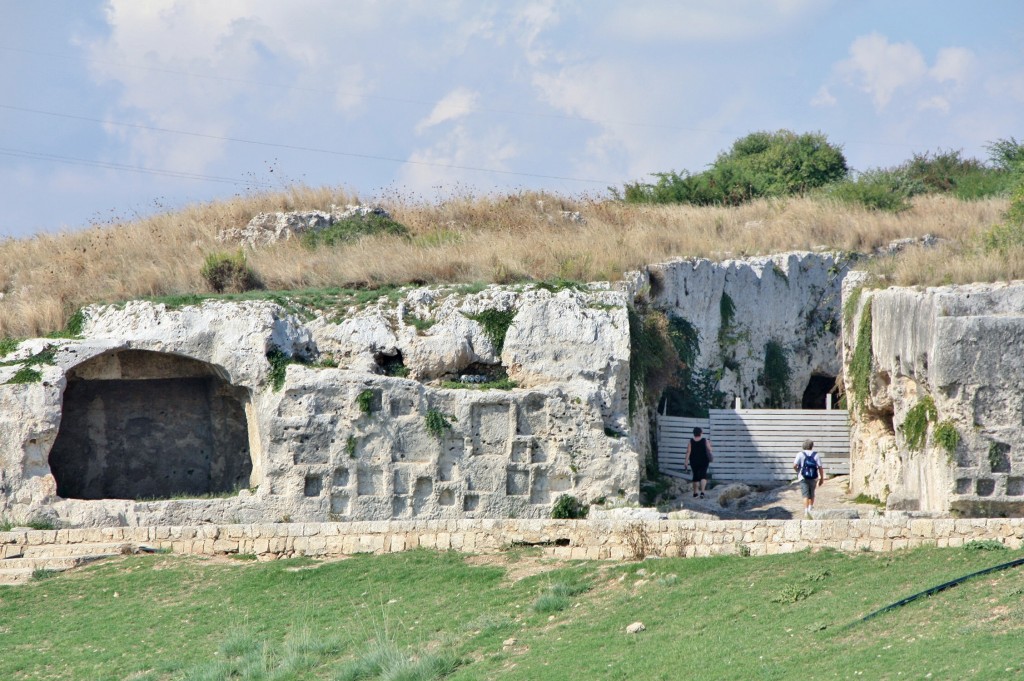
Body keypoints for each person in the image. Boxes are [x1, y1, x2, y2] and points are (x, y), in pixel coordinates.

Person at [793, 439, 825, 517]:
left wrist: (797, 471)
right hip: (814, 477)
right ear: (812, 446)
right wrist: (821, 478)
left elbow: (794, 465)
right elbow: (820, 467)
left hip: (803, 477)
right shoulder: (816, 455)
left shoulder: (800, 454)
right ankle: (810, 508)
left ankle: (806, 511)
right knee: (812, 493)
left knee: (805, 494)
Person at [685, 427, 713, 499]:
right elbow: (710, 450)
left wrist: (686, 462)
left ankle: (695, 493)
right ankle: (702, 492)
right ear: (701, 433)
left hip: (694, 461)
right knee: (703, 475)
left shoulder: (690, 441)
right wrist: (710, 444)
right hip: (704, 460)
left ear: (694, 433)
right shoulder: (705, 440)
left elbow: (688, 452)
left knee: (695, 476)